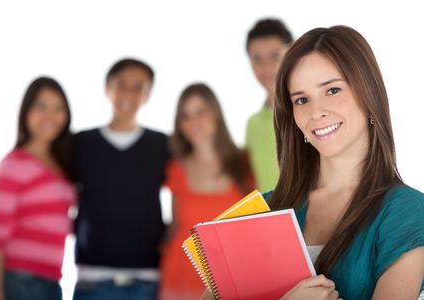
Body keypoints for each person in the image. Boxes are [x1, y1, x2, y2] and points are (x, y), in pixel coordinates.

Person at [202, 25, 424, 300]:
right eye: (302, 99)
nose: (316, 112)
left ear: (368, 94)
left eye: (332, 90)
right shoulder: (265, 209)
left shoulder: (406, 213)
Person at [73, 58, 170, 300]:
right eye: (121, 84)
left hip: (146, 279)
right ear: (107, 88)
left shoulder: (160, 145)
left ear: (148, 96)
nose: (128, 92)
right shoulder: (82, 143)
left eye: (139, 87)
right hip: (92, 279)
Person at [158, 83, 253, 300]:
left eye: (201, 112)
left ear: (216, 114)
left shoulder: (244, 164)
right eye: (186, 116)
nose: (194, 122)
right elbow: (175, 226)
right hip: (180, 277)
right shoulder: (176, 168)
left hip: (230, 278)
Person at [0, 77, 76, 300]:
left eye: (58, 109)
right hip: (21, 282)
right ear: (26, 111)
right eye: (41, 107)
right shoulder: (14, 164)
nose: (50, 117)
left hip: (52, 282)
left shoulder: (62, 166)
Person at [245, 18, 293, 193]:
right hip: (273, 219)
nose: (266, 67)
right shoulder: (252, 125)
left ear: (291, 53)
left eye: (275, 56)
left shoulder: (309, 112)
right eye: (257, 59)